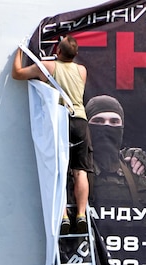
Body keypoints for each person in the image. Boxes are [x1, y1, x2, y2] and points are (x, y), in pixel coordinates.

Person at [12, 35, 92, 234]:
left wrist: (19, 51)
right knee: (80, 171)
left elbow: (17, 74)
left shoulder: (47, 67)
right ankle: (81, 214)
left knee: (59, 172)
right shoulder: (82, 71)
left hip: (60, 121)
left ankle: (63, 215)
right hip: (80, 121)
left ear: (57, 51)